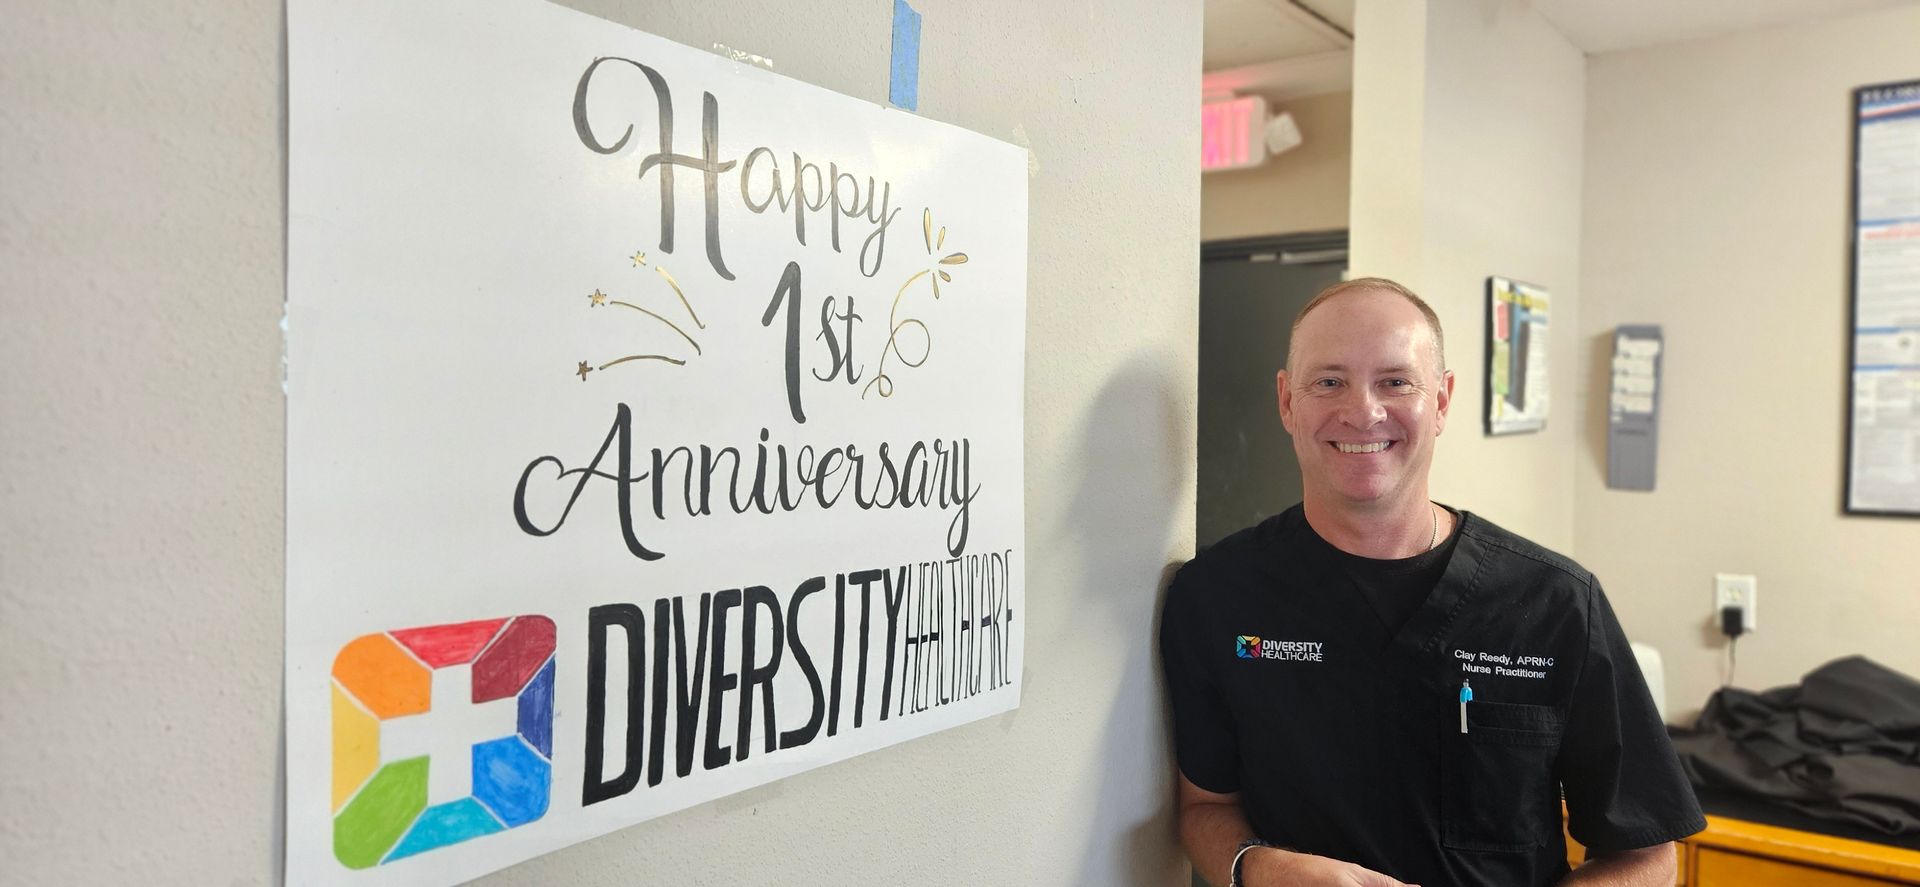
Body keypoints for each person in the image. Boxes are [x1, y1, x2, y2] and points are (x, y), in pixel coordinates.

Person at [1160, 278, 1703, 886]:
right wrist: (1258, 869)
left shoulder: (1555, 604)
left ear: (1441, 401)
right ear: (1287, 402)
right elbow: (1205, 809)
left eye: (1395, 381)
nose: (1362, 411)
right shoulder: (1214, 597)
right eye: (1329, 381)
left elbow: (1648, 853)